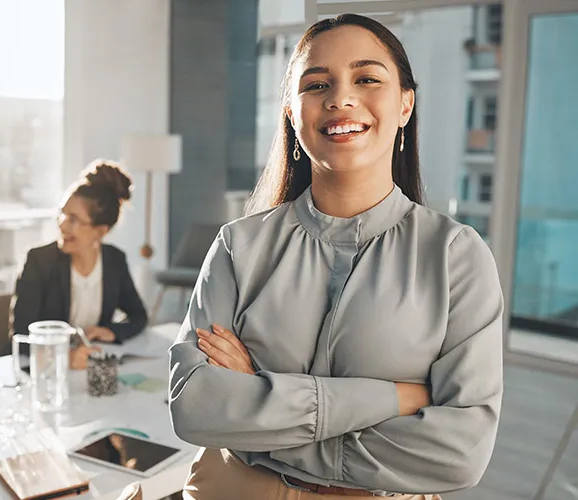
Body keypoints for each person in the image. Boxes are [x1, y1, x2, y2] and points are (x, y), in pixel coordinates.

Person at [168, 14, 503, 500]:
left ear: (405, 104)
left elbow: (460, 453)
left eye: (367, 78)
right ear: (290, 110)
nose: (340, 98)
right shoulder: (238, 246)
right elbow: (195, 409)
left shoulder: (455, 255)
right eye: (316, 83)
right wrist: (393, 398)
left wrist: (257, 413)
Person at [11, 160, 148, 370]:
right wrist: (64, 356)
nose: (62, 224)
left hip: (87, 369)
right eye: (62, 214)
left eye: (73, 219)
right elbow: (22, 335)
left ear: (100, 231)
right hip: (42, 372)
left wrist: (111, 332)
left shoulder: (114, 261)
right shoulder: (39, 261)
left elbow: (139, 316)